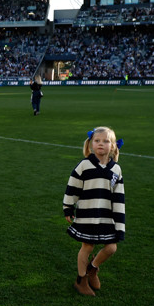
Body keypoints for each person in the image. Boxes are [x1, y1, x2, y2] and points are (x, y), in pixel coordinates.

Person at [63, 126, 125, 296]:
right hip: (87, 215)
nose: (101, 144)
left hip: (106, 217)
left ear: (112, 146)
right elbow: (72, 187)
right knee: (87, 246)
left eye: (106, 141)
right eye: (97, 141)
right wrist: (68, 207)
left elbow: (119, 199)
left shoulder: (116, 170)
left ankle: (92, 268)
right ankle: (81, 280)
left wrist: (120, 225)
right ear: (91, 144)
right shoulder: (84, 165)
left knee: (111, 248)